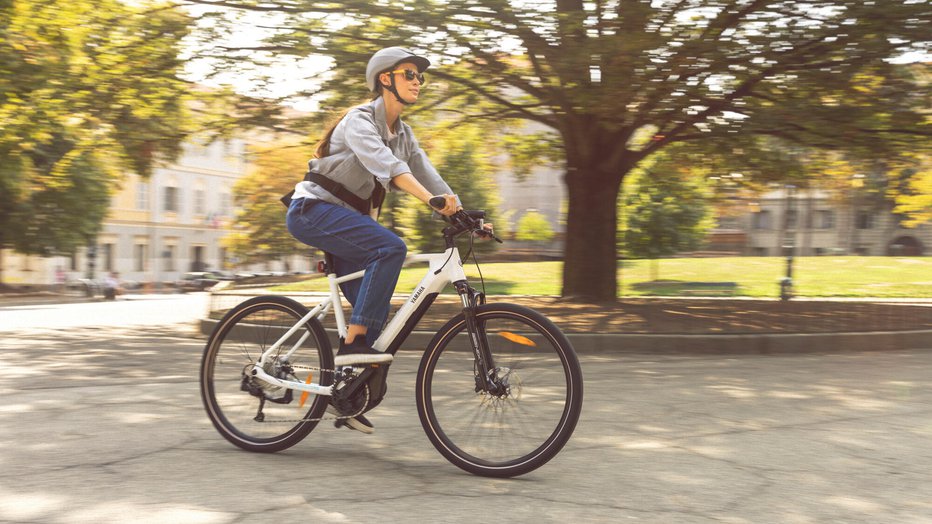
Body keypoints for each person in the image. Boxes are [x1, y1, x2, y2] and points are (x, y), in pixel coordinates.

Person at [285, 47, 484, 433]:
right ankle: (351, 347)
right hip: (312, 212)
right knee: (390, 248)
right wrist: (431, 201)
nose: (417, 82)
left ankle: (346, 392)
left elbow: (427, 175)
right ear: (384, 79)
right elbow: (388, 168)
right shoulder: (360, 120)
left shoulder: (404, 134)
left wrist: (465, 213)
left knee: (374, 318)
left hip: (345, 222)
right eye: (409, 74)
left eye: (420, 77)